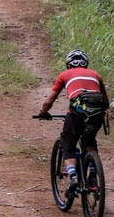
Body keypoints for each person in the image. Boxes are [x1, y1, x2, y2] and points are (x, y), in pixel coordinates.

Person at [38, 49, 110, 190]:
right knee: (89, 140)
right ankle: (93, 174)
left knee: (68, 143)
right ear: (86, 63)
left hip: (77, 114)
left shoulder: (65, 75)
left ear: (68, 64)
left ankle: (73, 177)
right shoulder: (95, 75)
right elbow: (106, 102)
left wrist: (43, 113)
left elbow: (48, 102)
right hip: (97, 114)